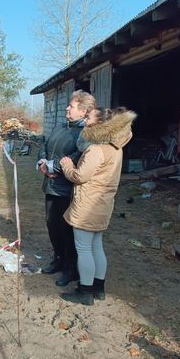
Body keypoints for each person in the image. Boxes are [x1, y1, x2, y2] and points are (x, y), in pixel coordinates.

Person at [59, 107, 137, 306]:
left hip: (88, 205)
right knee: (96, 246)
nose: (85, 120)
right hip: (103, 203)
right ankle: (98, 288)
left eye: (89, 117)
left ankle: (84, 291)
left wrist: (67, 164)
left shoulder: (96, 149)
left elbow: (80, 176)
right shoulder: (115, 147)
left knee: (84, 248)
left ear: (101, 124)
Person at [37, 90, 97, 286]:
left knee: (67, 229)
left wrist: (53, 166)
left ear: (84, 111)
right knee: (51, 225)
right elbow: (44, 145)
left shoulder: (86, 133)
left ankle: (71, 269)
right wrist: (42, 162)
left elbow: (78, 156)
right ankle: (58, 259)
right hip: (51, 185)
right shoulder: (59, 126)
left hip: (69, 188)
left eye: (71, 106)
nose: (67, 108)